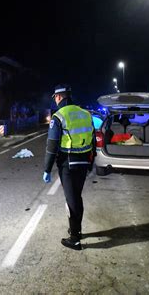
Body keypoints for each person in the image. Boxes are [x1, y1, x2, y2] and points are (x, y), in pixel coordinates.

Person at [43, 84, 96, 250]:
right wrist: (91, 163)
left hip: (68, 164)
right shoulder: (86, 114)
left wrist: (47, 169)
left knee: (72, 200)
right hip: (83, 163)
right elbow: (93, 141)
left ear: (59, 97)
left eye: (55, 98)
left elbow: (52, 146)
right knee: (76, 197)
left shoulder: (59, 116)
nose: (55, 100)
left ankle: (75, 238)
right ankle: (76, 231)